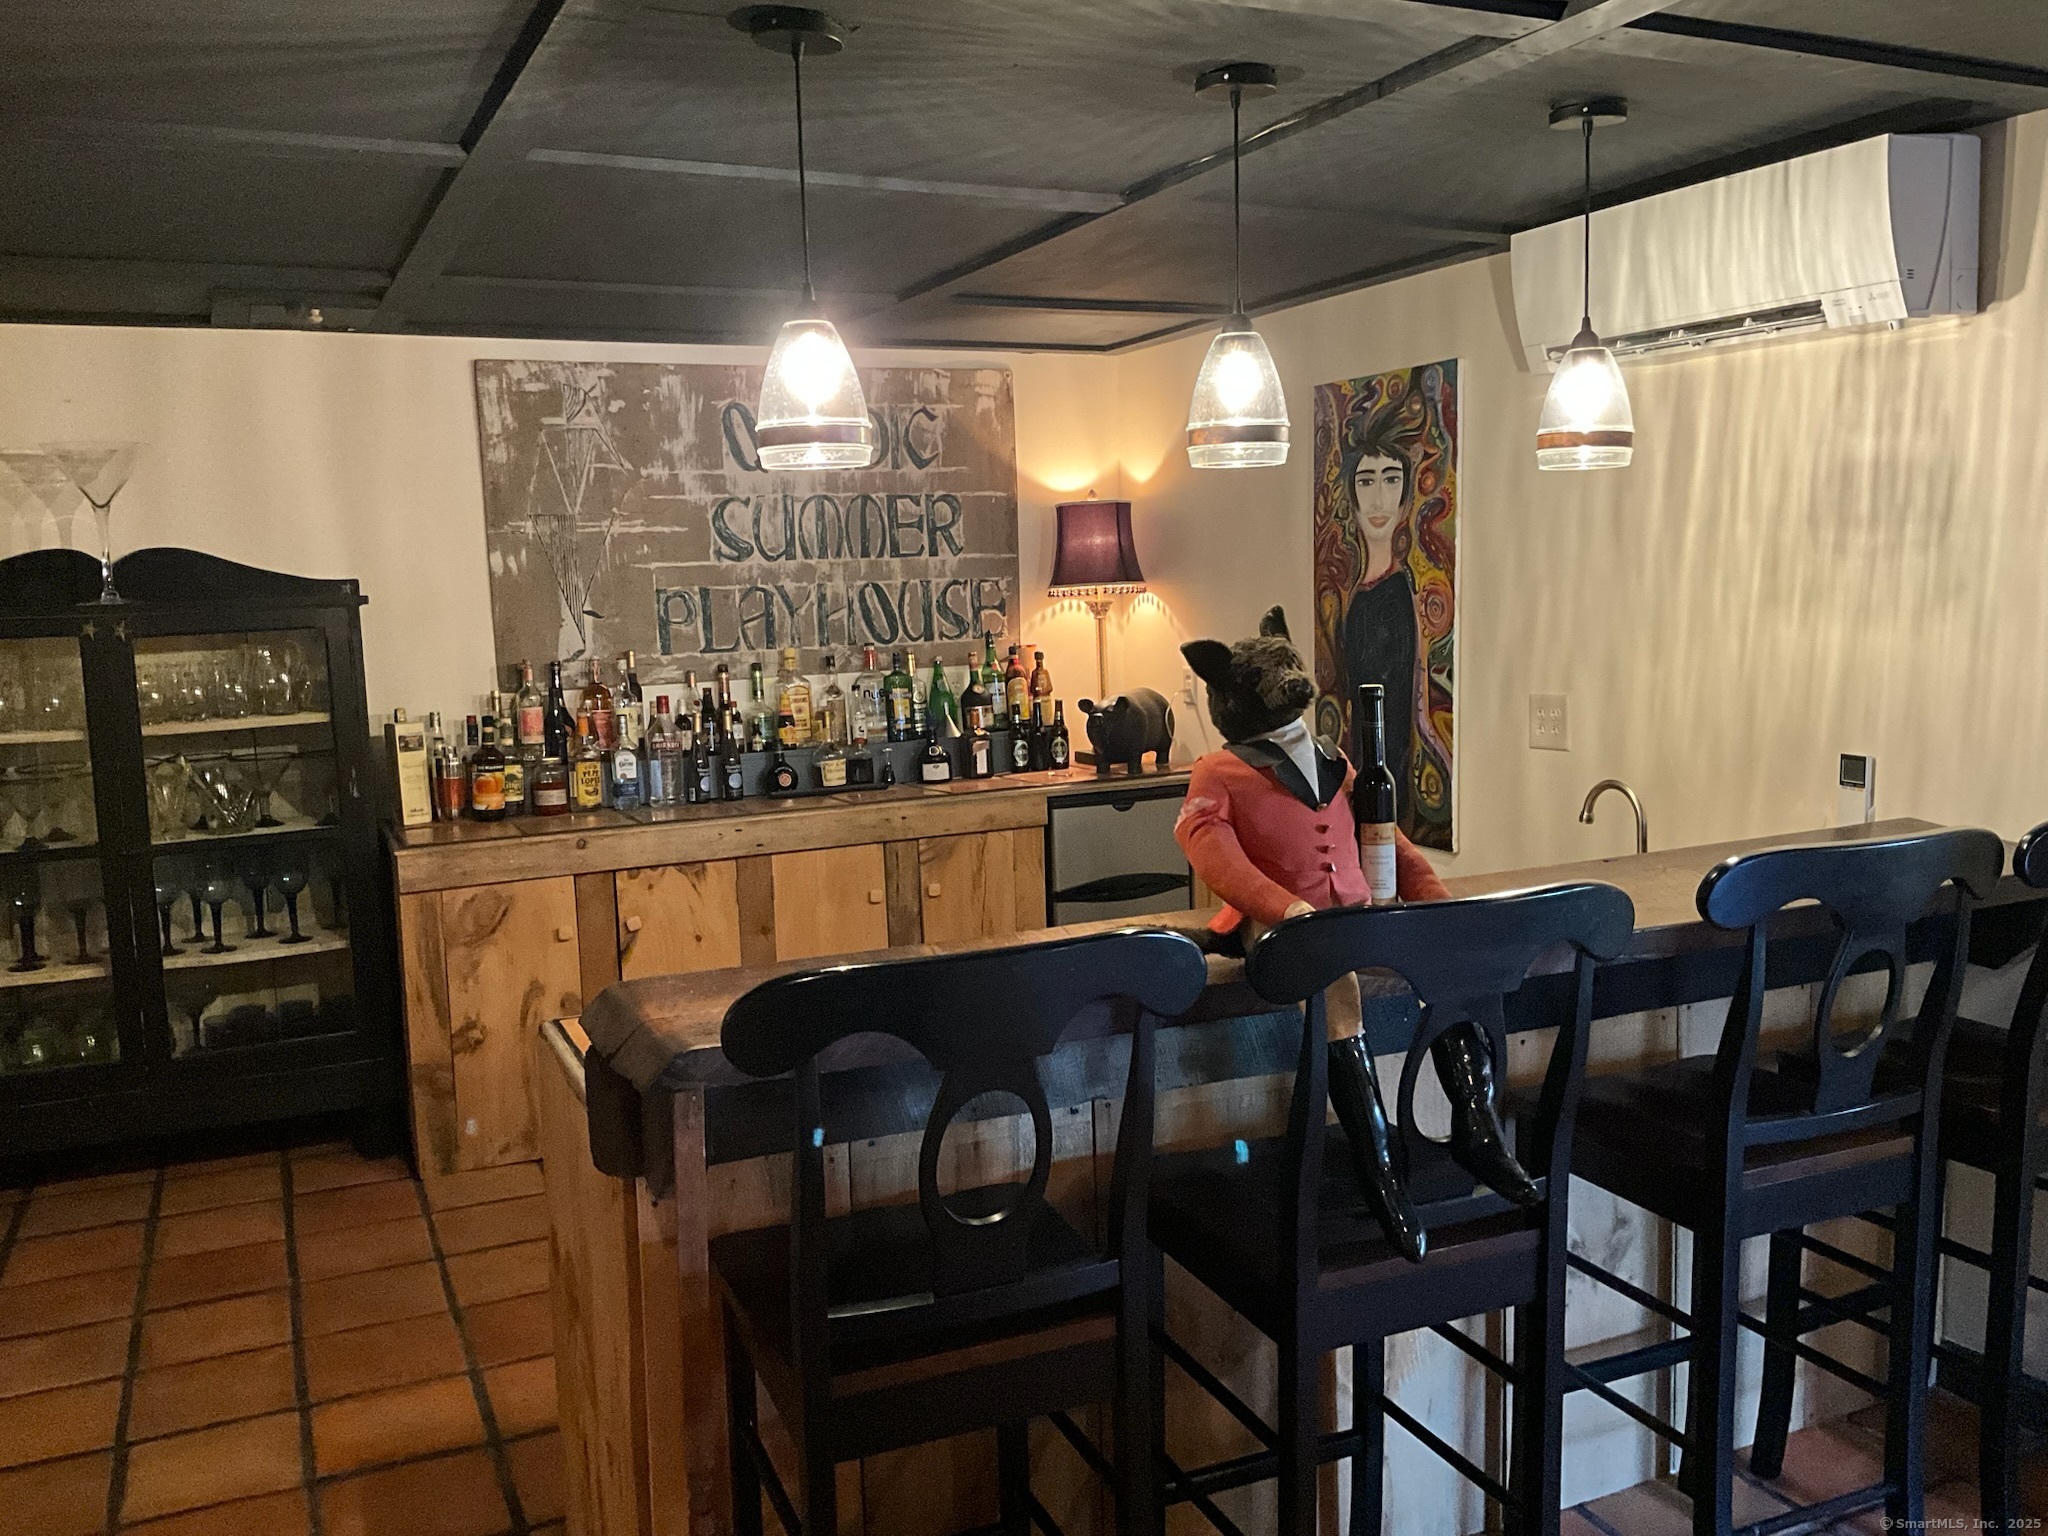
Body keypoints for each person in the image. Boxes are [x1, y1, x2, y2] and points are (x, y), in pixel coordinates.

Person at [1177, 606, 1537, 1264]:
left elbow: (1389, 846)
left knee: (1447, 965)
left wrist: (1439, 909)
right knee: (1336, 986)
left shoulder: (1334, 762)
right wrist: (1284, 909)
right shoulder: (1217, 772)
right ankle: (1380, 1167)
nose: (1290, 676)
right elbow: (1210, 852)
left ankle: (1478, 1125)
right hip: (1284, 932)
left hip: (1359, 916)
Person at [1338, 418, 1418, 818]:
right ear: (1351, 496)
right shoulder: (1357, 599)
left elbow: (1397, 725)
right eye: (1366, 482)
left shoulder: (1396, 598)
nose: (1379, 500)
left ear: (1405, 496)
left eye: (1391, 480)